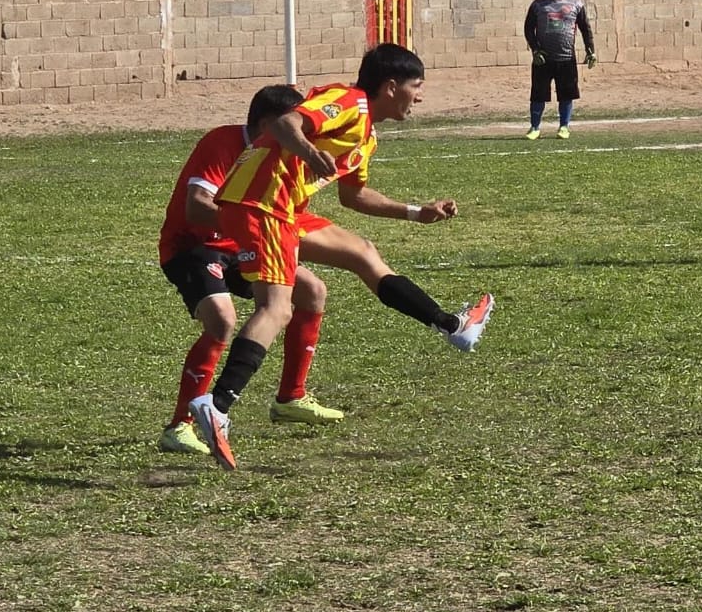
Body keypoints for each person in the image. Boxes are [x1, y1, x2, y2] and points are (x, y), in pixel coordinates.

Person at [189, 43, 495, 470]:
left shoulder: (366, 134)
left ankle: (452, 326)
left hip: (286, 208)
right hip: (261, 205)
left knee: (363, 253)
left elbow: (354, 196)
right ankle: (217, 406)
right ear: (391, 87)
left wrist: (414, 212)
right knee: (276, 309)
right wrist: (310, 152)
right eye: (416, 86)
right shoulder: (348, 102)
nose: (420, 96)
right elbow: (285, 122)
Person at [158, 85, 337, 455]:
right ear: (270, 124)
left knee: (311, 291)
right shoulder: (223, 143)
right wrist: (253, 227)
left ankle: (291, 398)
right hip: (193, 245)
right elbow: (196, 207)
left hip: (239, 244)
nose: (301, 133)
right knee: (222, 319)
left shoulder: (278, 154)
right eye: (295, 124)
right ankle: (179, 427)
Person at [524, 0, 596, 140]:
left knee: (566, 94)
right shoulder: (538, 5)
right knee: (538, 94)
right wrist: (535, 49)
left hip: (566, 58)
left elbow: (585, 28)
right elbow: (528, 29)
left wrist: (590, 49)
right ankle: (534, 128)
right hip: (543, 60)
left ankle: (564, 127)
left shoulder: (576, 4)